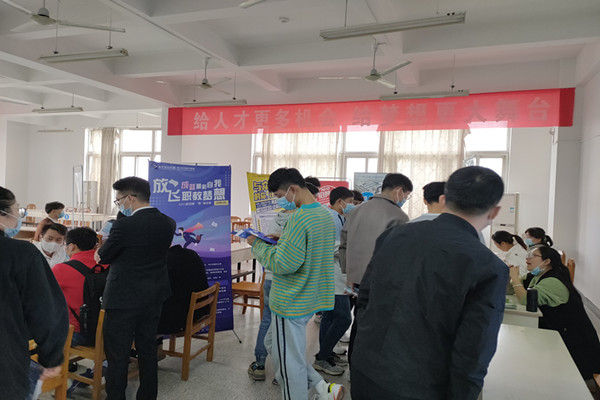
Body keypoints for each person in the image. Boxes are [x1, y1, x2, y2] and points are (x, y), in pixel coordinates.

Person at [351, 166, 507, 400]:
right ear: (494, 212)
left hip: (365, 371)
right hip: (420, 386)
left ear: (443, 200)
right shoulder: (489, 267)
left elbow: (365, 299)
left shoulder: (396, 235)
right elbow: (473, 349)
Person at [246, 167, 343, 400]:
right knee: (275, 344)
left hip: (291, 299)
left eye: (280, 196)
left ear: (292, 189)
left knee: (290, 364)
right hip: (309, 295)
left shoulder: (299, 218)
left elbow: (283, 263)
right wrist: (282, 240)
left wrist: (256, 244)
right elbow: (310, 250)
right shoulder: (324, 215)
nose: (281, 201)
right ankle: (322, 387)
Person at [98, 177, 175, 400]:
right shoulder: (168, 222)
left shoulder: (124, 225)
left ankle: (116, 397)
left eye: (119, 201)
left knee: (118, 353)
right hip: (154, 294)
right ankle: (148, 395)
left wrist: (102, 253)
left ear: (130, 198)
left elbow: (104, 256)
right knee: (148, 348)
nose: (119, 205)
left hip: (122, 297)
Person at [0, 186, 69, 399]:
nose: (19, 217)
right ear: (2, 214)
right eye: (18, 211)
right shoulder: (20, 254)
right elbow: (45, 310)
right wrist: (52, 357)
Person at [340, 172, 413, 364]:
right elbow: (398, 255)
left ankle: (353, 362)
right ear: (399, 191)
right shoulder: (399, 216)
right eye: (406, 196)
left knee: (358, 321)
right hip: (381, 281)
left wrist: (349, 274)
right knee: (376, 326)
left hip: (355, 280)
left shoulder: (356, 210)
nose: (404, 200)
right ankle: (367, 365)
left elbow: (344, 244)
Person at [509, 246, 600, 395]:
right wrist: (511, 277)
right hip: (557, 329)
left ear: (546, 261)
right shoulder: (537, 275)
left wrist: (515, 278)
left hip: (575, 341)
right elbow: (513, 290)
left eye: (533, 255)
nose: (527, 258)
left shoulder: (553, 280)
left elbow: (526, 299)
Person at [313, 187, 354, 376]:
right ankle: (322, 357)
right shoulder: (331, 218)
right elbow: (331, 248)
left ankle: (326, 354)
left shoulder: (338, 217)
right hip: (333, 275)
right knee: (344, 318)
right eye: (350, 202)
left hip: (334, 273)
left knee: (329, 317)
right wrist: (351, 249)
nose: (352, 206)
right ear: (340, 202)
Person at [52, 227, 102, 347]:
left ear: (71, 246)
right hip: (108, 333)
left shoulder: (61, 269)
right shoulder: (106, 265)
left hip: (79, 334)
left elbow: (40, 295)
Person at [157, 244, 209, 334]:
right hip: (201, 311)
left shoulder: (166, 261)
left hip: (182, 317)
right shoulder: (192, 254)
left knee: (147, 317)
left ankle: (153, 341)